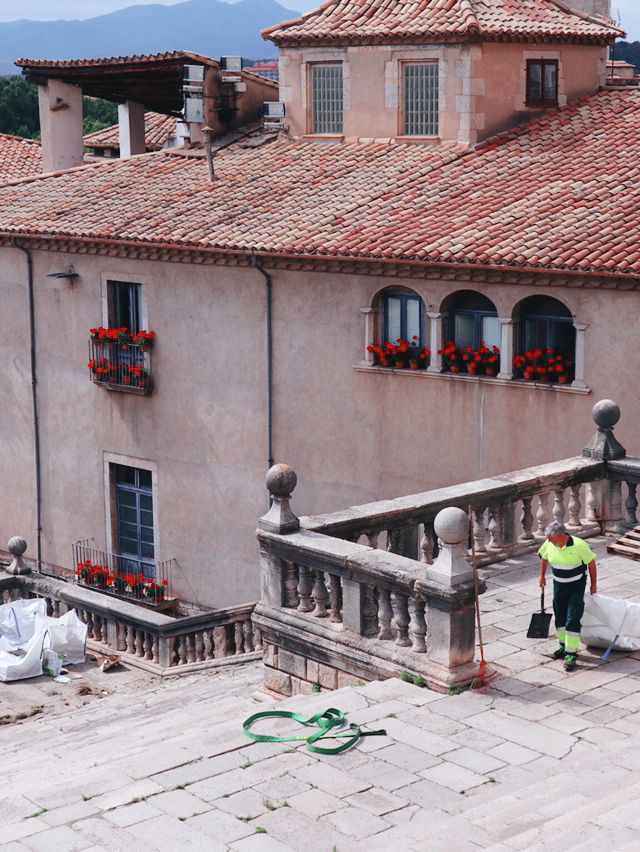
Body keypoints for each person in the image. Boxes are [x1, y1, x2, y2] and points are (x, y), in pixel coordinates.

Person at [538, 521, 597, 671]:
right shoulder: (550, 543)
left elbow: (591, 563)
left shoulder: (579, 545)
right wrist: (542, 576)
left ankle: (571, 654)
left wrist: (593, 584)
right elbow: (543, 557)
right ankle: (563, 647)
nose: (548, 541)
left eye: (551, 538)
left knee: (573, 617)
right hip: (559, 585)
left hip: (576, 585)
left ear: (560, 536)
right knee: (560, 616)